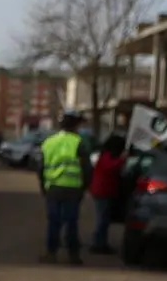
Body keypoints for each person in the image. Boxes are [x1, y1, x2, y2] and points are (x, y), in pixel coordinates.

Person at [38, 110, 94, 265]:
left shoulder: (49, 142)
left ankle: (51, 253)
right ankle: (73, 255)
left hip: (53, 188)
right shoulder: (79, 142)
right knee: (71, 222)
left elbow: (41, 168)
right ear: (75, 125)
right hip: (73, 189)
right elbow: (87, 168)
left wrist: (43, 187)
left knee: (53, 222)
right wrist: (86, 186)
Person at [88, 134, 127, 254]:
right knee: (102, 219)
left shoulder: (105, 155)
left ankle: (101, 242)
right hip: (102, 191)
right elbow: (110, 167)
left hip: (104, 191)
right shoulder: (107, 156)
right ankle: (98, 244)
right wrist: (122, 159)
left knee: (104, 219)